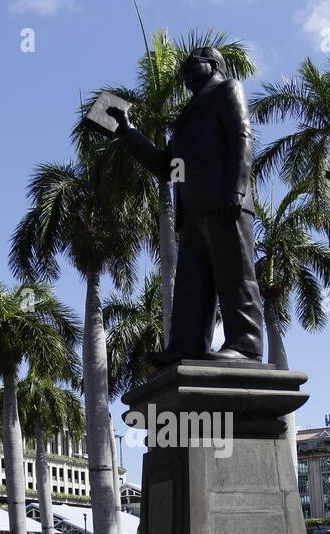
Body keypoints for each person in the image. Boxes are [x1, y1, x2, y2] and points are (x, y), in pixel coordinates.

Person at [106, 48, 263, 363]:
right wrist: (128, 131)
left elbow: (241, 138)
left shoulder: (227, 89)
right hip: (191, 212)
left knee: (235, 276)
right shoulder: (186, 115)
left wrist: (235, 191)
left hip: (225, 201)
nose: (184, 71)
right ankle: (185, 347)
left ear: (212, 64)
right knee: (192, 286)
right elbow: (167, 167)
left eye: (191, 64)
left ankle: (245, 346)